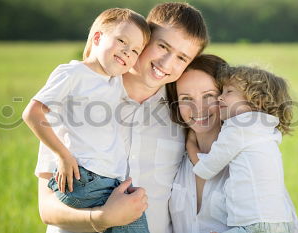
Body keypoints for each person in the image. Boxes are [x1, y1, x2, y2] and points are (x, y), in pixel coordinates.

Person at [30, 2, 208, 233]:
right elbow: (47, 208)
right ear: (142, 40)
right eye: (162, 46)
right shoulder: (80, 94)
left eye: (182, 58)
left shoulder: (181, 113)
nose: (166, 64)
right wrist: (102, 218)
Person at [23, 8, 151, 233]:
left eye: (135, 51)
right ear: (98, 37)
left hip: (107, 181)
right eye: (122, 40)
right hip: (86, 178)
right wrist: (63, 156)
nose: (127, 52)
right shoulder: (73, 73)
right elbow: (32, 113)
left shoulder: (114, 80)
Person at [187, 65, 298, 232]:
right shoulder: (266, 129)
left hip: (254, 223)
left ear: (257, 100)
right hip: (282, 221)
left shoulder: (239, 127)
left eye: (229, 92)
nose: (220, 97)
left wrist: (190, 142)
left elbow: (206, 168)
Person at [166, 54, 233, 233]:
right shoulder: (175, 160)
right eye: (186, 98)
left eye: (208, 96)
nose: (198, 108)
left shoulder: (247, 160)